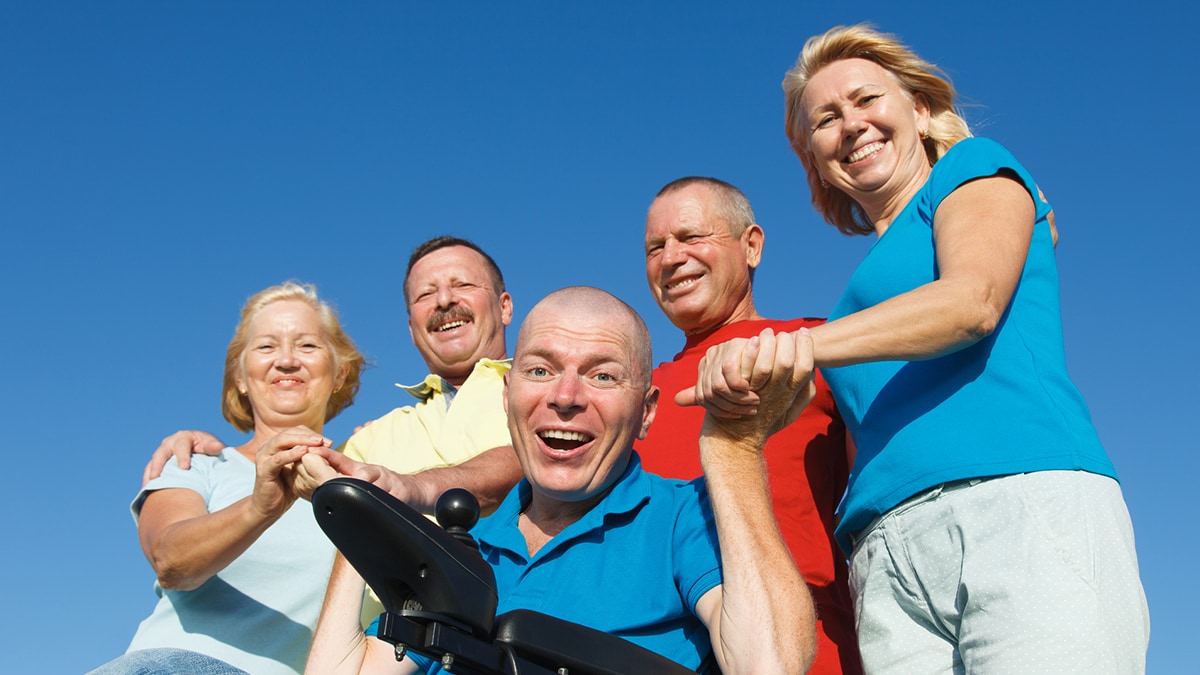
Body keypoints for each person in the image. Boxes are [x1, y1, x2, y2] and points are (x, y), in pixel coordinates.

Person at [689, 23, 1149, 674]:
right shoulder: (856, 297)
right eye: (826, 118)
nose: (850, 124)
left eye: (866, 99)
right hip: (884, 552)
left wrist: (793, 345)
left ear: (922, 110)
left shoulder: (975, 170)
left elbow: (972, 301)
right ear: (816, 158)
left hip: (1011, 506)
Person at [304, 287, 818, 675]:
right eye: (541, 370)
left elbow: (770, 666)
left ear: (646, 413)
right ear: (507, 397)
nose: (566, 396)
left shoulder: (684, 518)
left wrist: (734, 449)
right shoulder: (466, 550)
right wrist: (363, 525)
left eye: (603, 376)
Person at [142, 237, 525, 625]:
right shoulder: (362, 445)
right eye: (426, 293)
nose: (444, 300)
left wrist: (416, 487)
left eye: (462, 285)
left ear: (340, 372)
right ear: (411, 328)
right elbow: (171, 559)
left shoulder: (551, 391)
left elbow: (541, 456)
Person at [642, 176, 861, 675]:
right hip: (654, 651)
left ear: (752, 246)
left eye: (692, 237)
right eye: (655, 247)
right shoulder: (636, 396)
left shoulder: (816, 347)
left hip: (799, 651)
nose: (671, 258)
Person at [89, 282, 366, 675]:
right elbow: (170, 561)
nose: (286, 361)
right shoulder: (199, 463)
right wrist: (259, 507)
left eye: (307, 345)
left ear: (340, 372)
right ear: (239, 377)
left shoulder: (364, 481)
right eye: (266, 347)